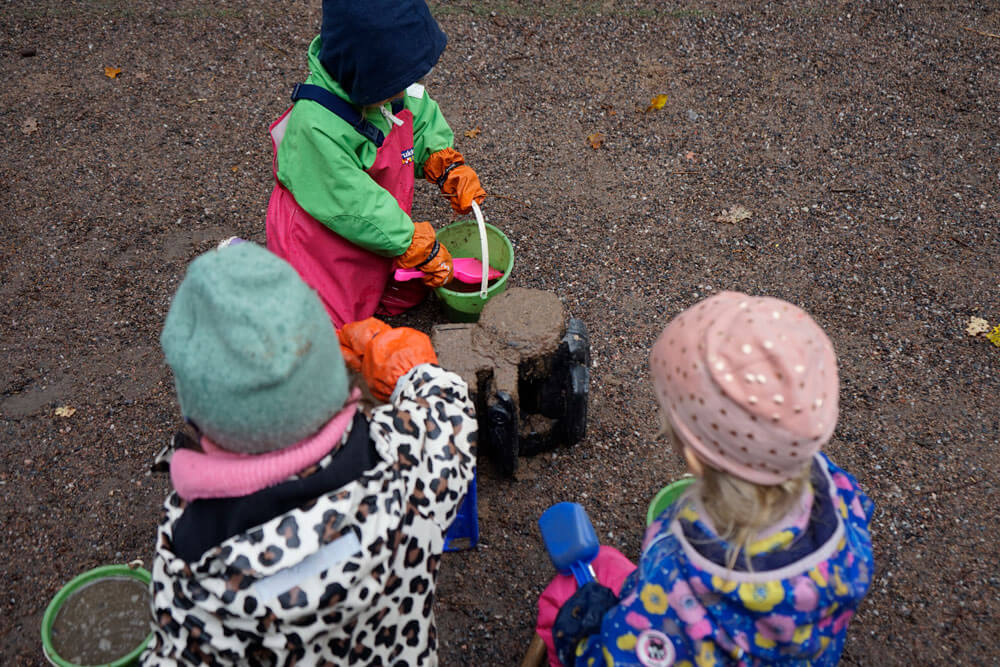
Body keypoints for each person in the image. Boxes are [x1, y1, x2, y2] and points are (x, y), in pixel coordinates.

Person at [142, 242, 477, 665]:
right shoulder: (411, 459)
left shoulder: (193, 572)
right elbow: (451, 412)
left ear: (198, 413)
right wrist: (410, 368)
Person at [540, 291, 875, 666]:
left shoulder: (679, 585)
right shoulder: (838, 491)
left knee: (561, 605)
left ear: (695, 461)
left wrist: (579, 636)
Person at [266, 0, 487, 328]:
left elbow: (420, 117)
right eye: (397, 85)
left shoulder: (388, 86)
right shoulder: (315, 126)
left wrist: (444, 162)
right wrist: (408, 239)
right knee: (324, 332)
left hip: (375, 224)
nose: (406, 90)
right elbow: (354, 204)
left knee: (403, 280)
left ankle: (380, 277)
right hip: (323, 235)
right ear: (365, 77)